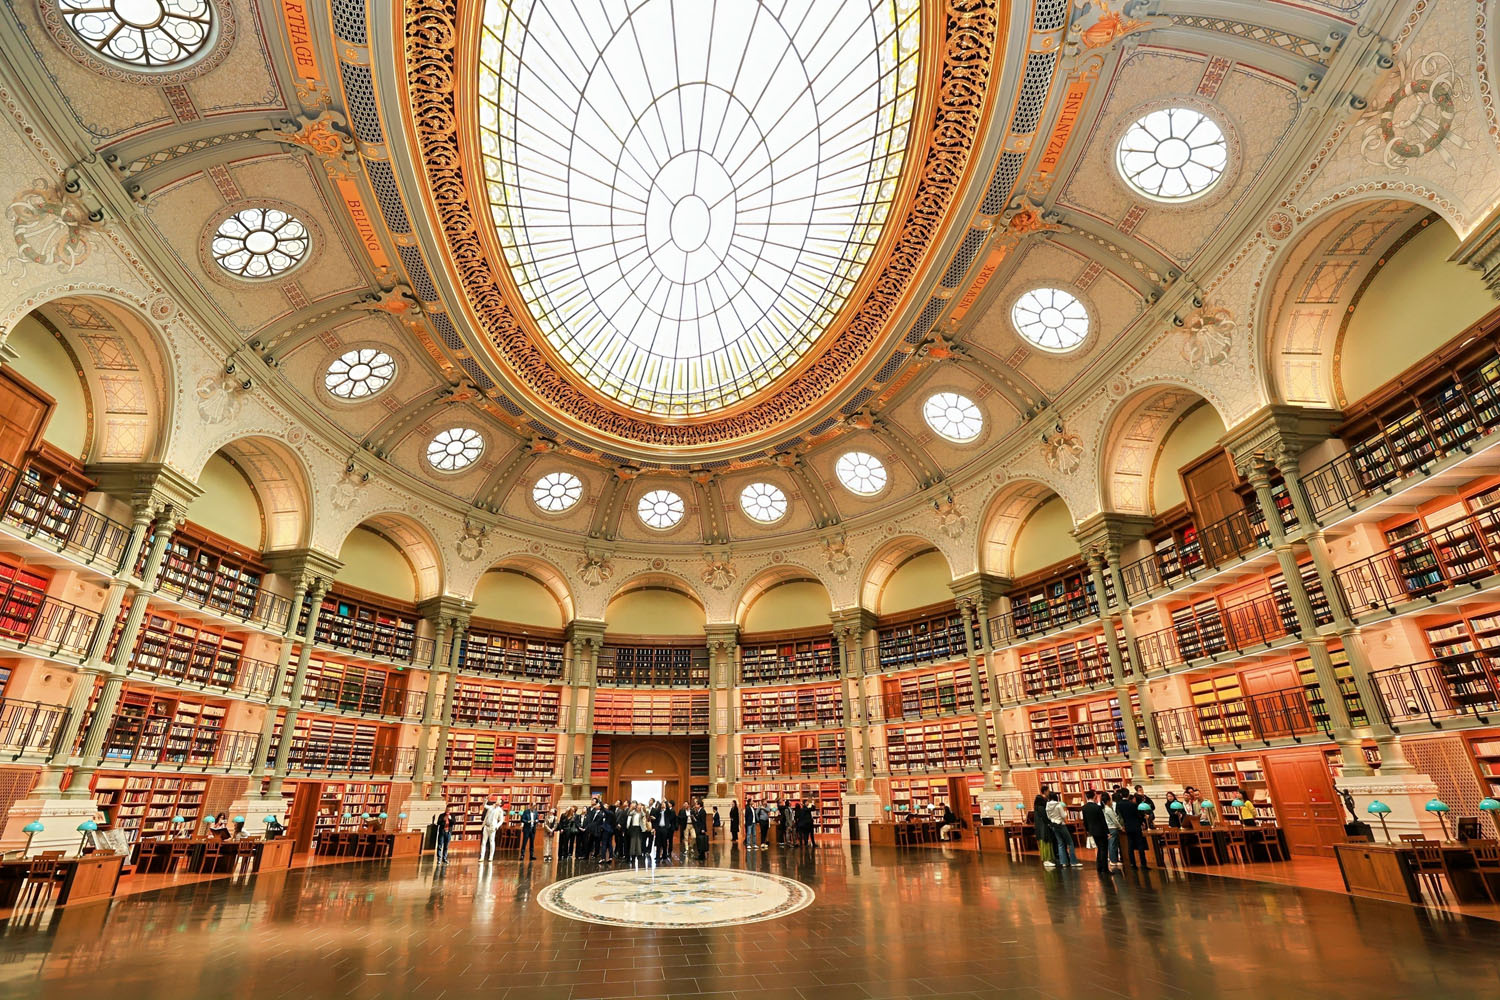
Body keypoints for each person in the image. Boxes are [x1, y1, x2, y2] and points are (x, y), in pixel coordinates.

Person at [1045, 791, 1079, 868]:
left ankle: (1063, 862)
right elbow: (1063, 815)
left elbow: (1048, 817)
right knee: (1070, 842)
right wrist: (1065, 813)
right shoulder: (1058, 805)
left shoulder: (1047, 806)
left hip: (1054, 825)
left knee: (1060, 844)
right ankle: (1073, 861)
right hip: (1061, 824)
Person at [1081, 790, 1109, 874]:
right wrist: (1107, 832)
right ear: (1094, 796)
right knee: (1103, 849)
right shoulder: (1097, 807)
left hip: (1092, 830)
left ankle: (1099, 867)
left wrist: (1088, 830)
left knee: (1099, 848)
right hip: (1101, 830)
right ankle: (1104, 868)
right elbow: (1102, 820)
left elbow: (1085, 821)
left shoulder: (1084, 807)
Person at [1121, 791, 1149, 868]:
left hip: (1127, 826)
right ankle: (1143, 863)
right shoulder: (1133, 805)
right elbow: (1138, 815)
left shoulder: (1119, 804)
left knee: (1130, 845)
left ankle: (1132, 863)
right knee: (1140, 845)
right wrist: (1141, 822)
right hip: (1136, 826)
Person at [479, 797, 504, 862]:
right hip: (486, 826)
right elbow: (484, 805)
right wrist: (486, 799)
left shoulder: (500, 810)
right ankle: (482, 857)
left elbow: (501, 820)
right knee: (483, 842)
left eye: (499, 801)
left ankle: (491, 857)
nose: (497, 801)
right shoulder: (491, 807)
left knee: (491, 842)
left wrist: (496, 826)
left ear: (500, 804)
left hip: (492, 827)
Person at [1102, 792, 1123, 870]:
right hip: (1112, 828)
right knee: (1113, 844)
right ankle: (1114, 860)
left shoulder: (1103, 809)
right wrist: (1120, 827)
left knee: (1111, 844)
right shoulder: (1108, 809)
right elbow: (1114, 820)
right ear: (1108, 801)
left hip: (1107, 827)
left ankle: (1113, 859)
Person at [1032, 784, 1052, 865]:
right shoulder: (1041, 805)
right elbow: (1044, 816)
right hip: (1043, 826)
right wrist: (1049, 822)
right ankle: (1047, 859)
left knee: (1043, 842)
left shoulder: (1037, 805)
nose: (1049, 792)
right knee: (1045, 842)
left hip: (1040, 827)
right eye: (1048, 791)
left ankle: (1047, 859)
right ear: (1045, 791)